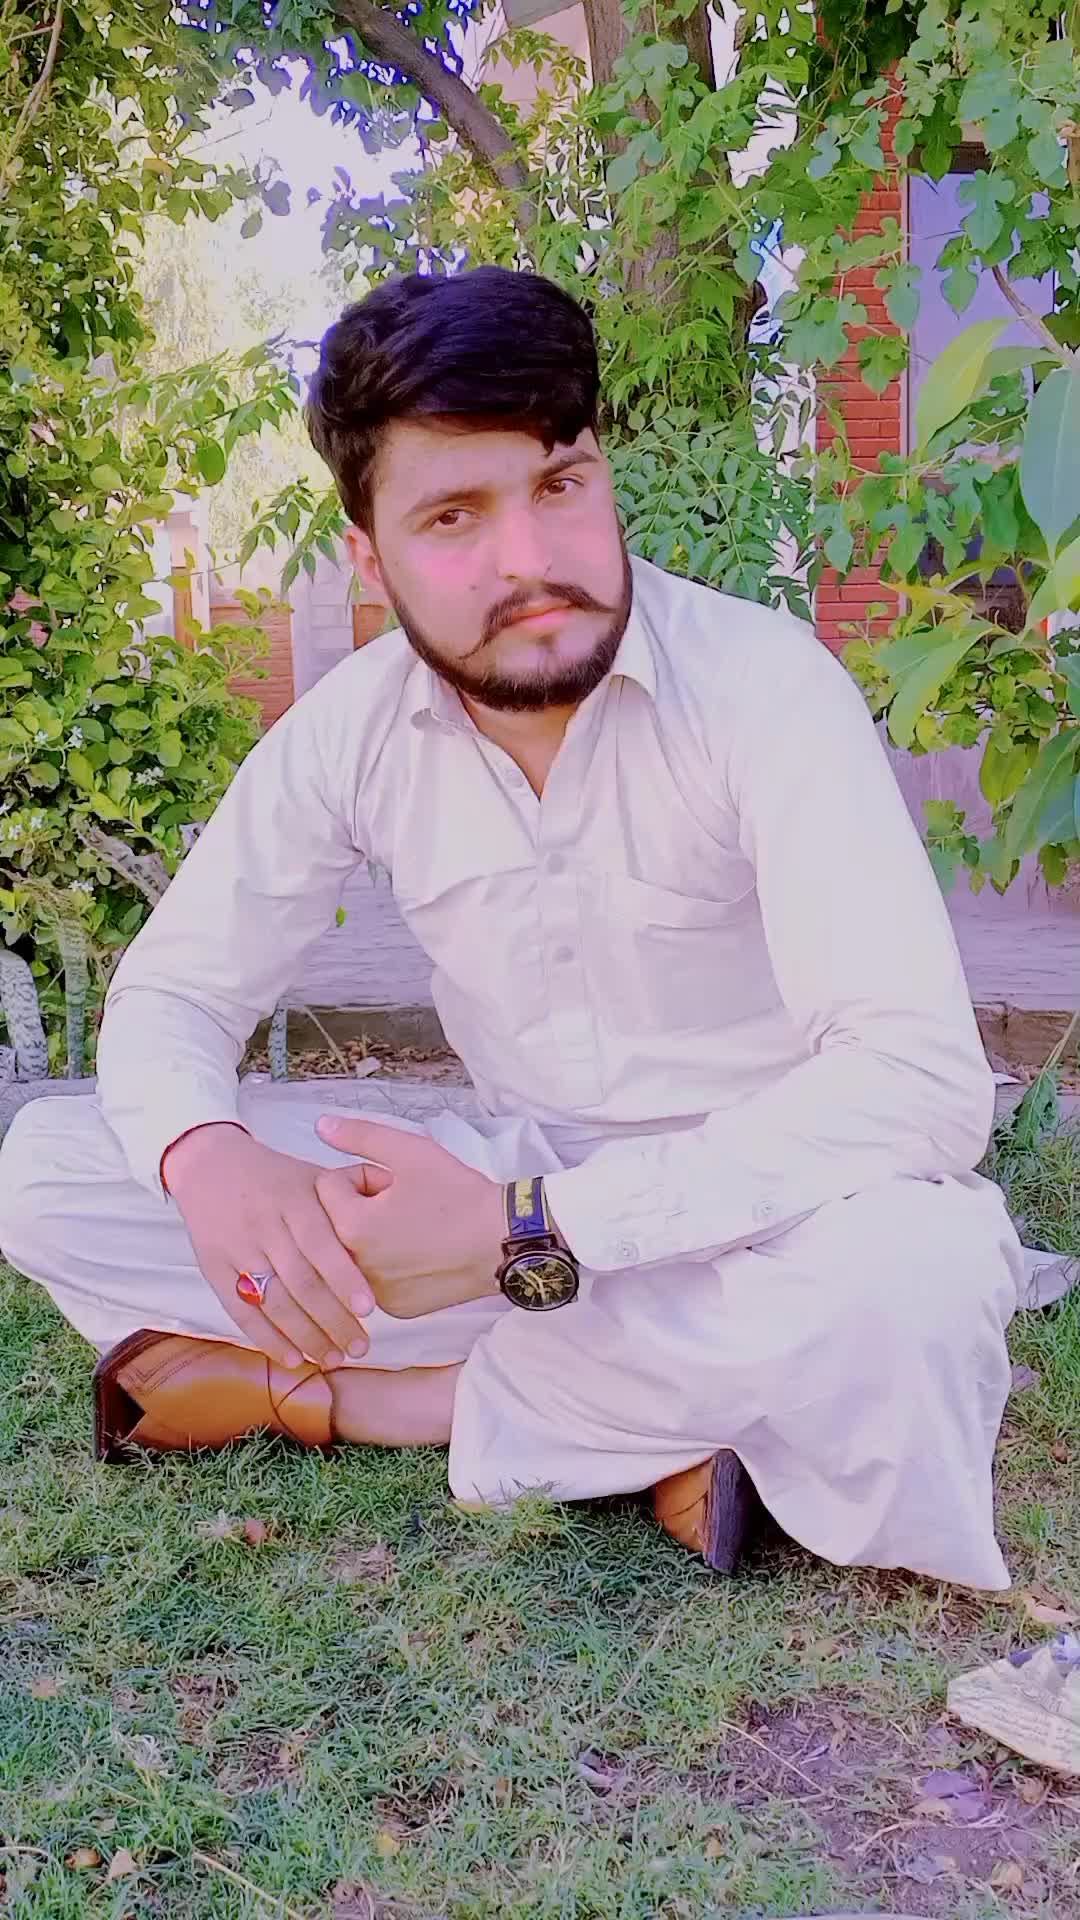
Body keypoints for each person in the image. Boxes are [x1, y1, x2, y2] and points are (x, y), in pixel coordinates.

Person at [0, 265, 1025, 1589]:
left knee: (914, 1281)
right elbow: (174, 997)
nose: (529, 559)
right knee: (50, 1170)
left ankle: (362, 1403)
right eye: (453, 516)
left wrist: (531, 1227)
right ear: (369, 557)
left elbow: (919, 1084)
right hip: (498, 1203)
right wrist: (209, 1164)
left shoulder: (765, 689)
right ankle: (687, 1423)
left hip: (779, 1198)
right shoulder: (351, 729)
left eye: (558, 483)